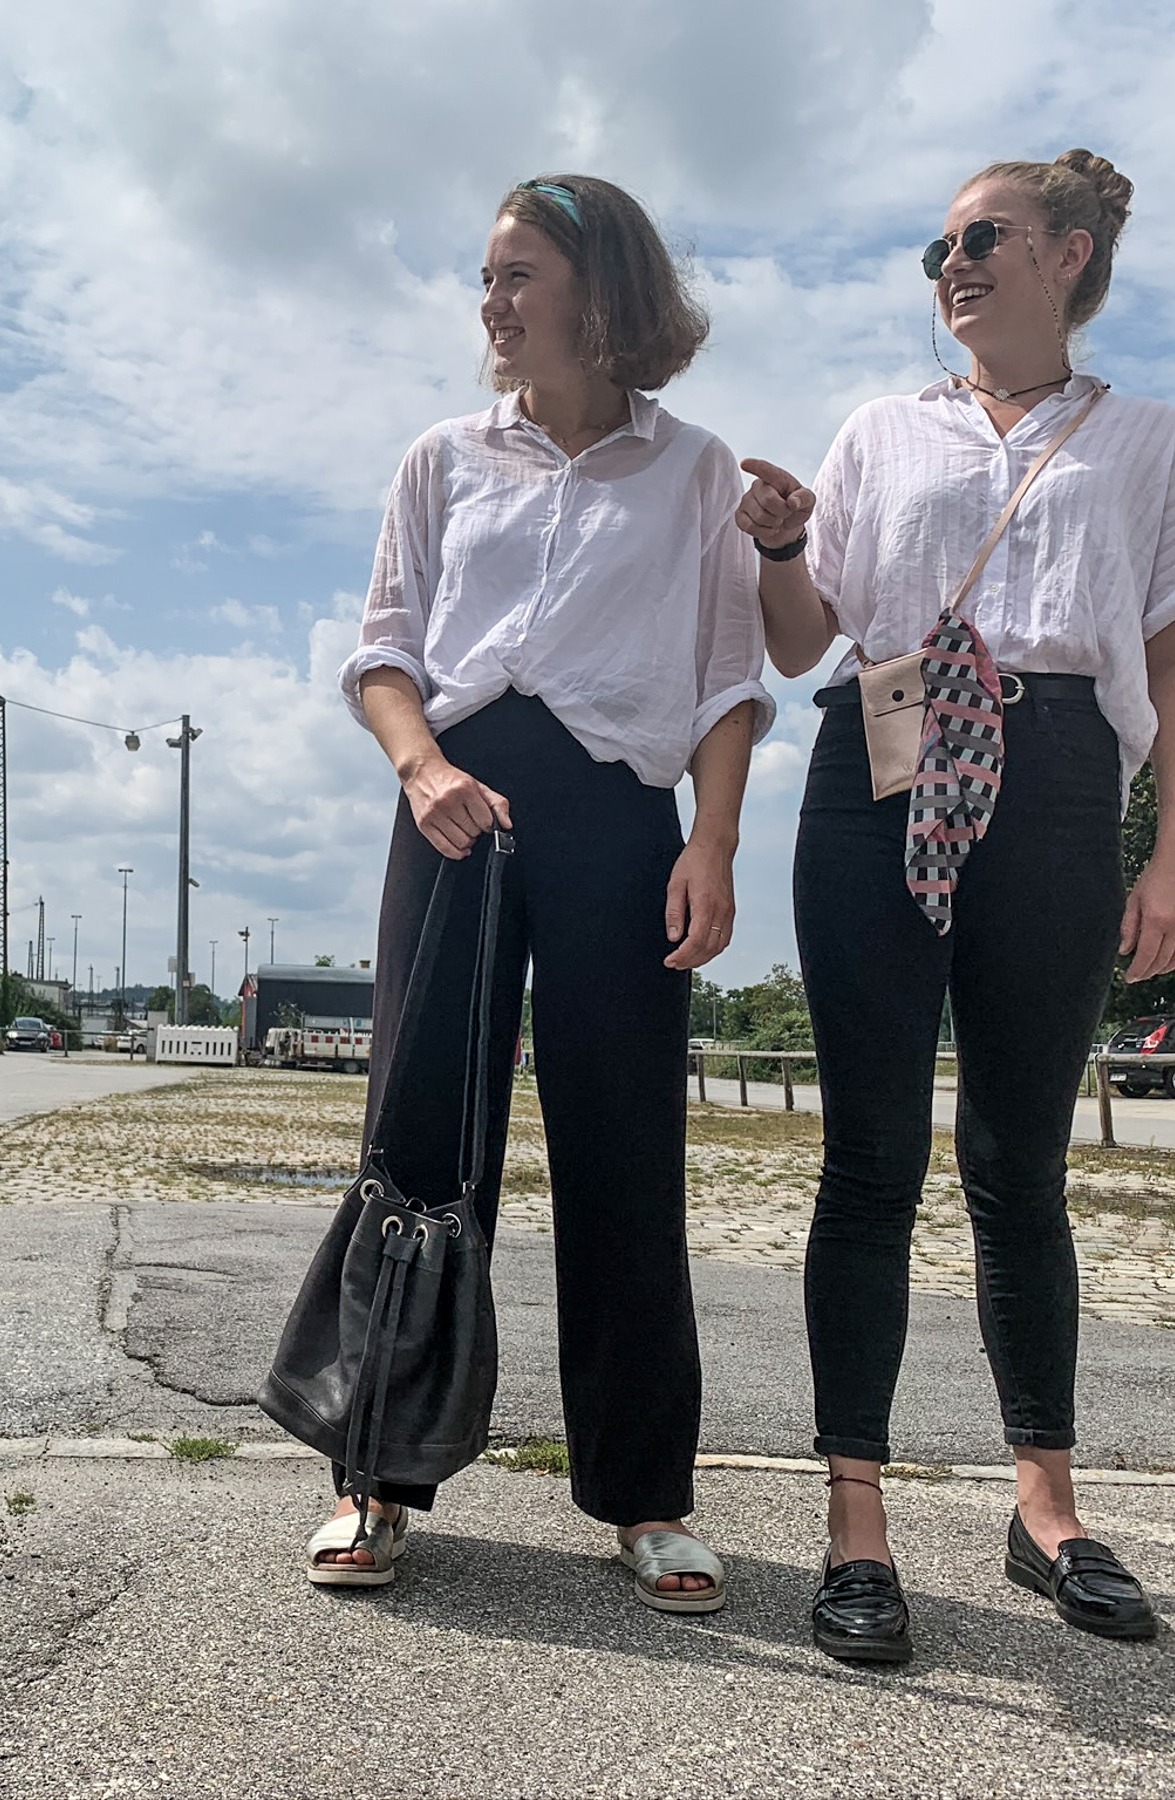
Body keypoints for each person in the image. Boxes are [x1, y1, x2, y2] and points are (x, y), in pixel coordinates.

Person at [737, 149, 1175, 1661]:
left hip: (1064, 771)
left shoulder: (1149, 444)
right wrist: (776, 544)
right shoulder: (884, 429)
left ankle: (1048, 1507)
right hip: (876, 758)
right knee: (868, 1157)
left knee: (1021, 1162)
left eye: (981, 237)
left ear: (1069, 254)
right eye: (935, 243)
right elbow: (803, 632)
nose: (949, 262)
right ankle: (855, 1519)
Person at [307, 174, 771, 1605]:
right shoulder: (442, 457)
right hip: (454, 805)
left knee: (625, 1150)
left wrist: (715, 842)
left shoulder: (699, 472)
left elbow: (729, 684)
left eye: (518, 274)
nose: (492, 304)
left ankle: (646, 1496)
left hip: (621, 819)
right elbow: (385, 651)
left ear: (599, 290)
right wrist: (418, 770)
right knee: (422, 1136)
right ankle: (377, 1478)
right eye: (488, 278)